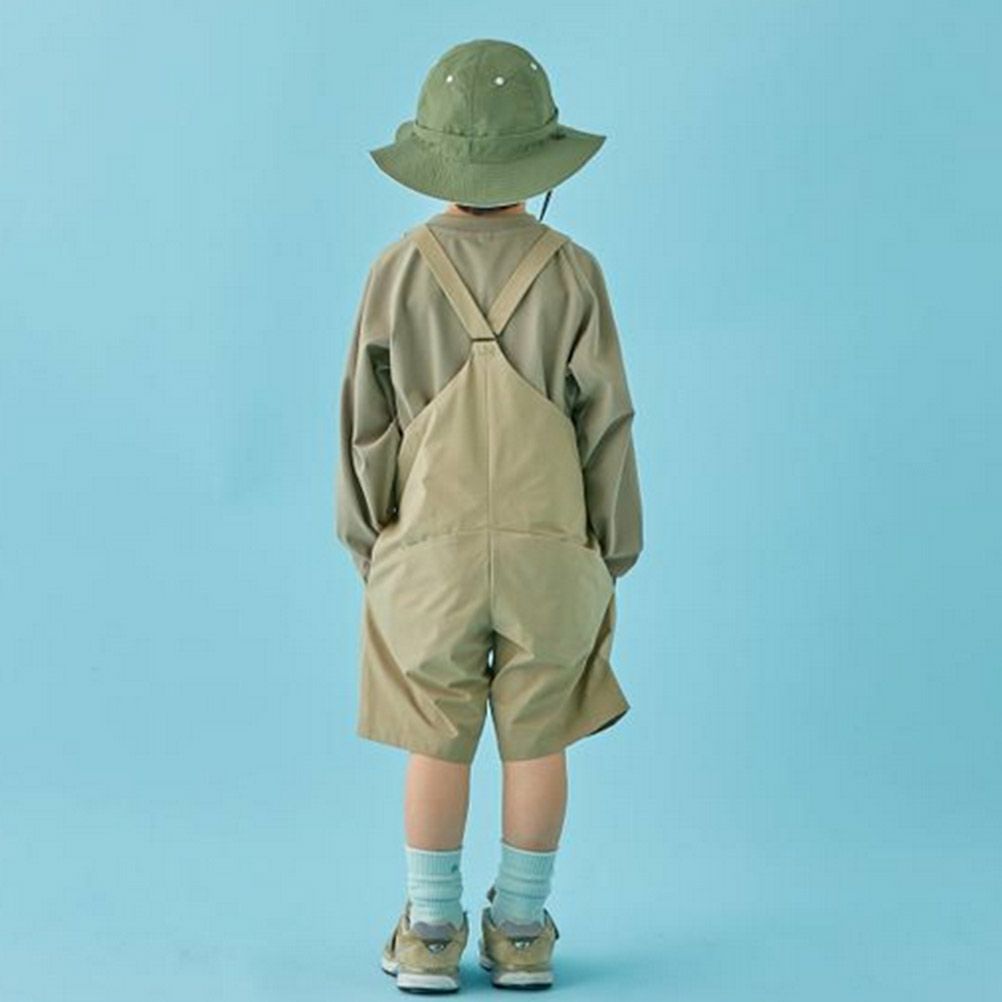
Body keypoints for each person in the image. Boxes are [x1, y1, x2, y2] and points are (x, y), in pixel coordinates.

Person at [335, 38, 643, 993]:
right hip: (553, 551)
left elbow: (365, 425)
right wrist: (610, 549)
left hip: (426, 551)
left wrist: (372, 544)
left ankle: (430, 932)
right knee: (538, 735)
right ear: (540, 163)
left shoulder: (396, 270)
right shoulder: (575, 271)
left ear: (435, 159)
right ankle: (520, 931)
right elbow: (607, 423)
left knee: (438, 735)